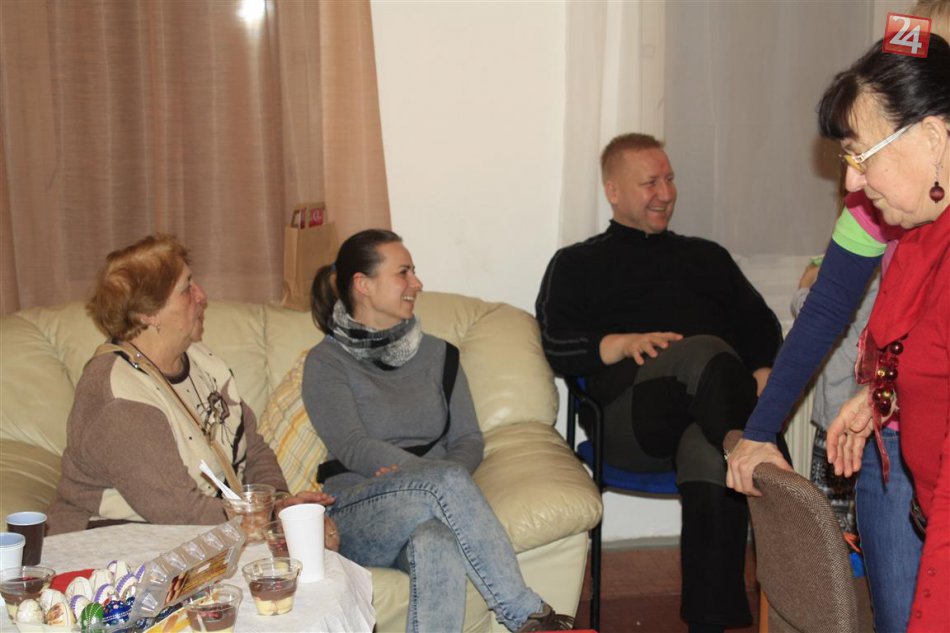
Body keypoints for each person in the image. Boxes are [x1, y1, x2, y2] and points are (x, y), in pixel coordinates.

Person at [729, 34, 950, 633]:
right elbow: (828, 311)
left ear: (932, 136)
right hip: (899, 446)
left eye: (861, 156)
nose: (851, 186)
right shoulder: (898, 217)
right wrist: (879, 392)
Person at [535, 133, 784, 633]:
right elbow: (553, 342)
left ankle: (711, 624)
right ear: (613, 190)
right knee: (705, 350)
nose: (665, 193)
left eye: (669, 179)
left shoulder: (707, 257)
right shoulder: (578, 264)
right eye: (650, 182)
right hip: (630, 423)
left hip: (709, 419)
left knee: (709, 450)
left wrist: (762, 372)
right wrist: (620, 343)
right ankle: (772, 478)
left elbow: (763, 327)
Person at [301, 229, 573, 633]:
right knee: (442, 480)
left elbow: (468, 439)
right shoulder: (326, 362)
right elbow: (352, 445)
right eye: (403, 273)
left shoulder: (441, 354)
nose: (417, 283)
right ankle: (528, 616)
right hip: (357, 510)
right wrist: (427, 477)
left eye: (414, 272)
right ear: (363, 284)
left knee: (437, 541)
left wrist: (439, 482)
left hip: (433, 504)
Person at [47, 234, 337, 549]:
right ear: (148, 313)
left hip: (206, 530)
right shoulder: (118, 396)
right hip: (115, 544)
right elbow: (177, 509)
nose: (202, 296)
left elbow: (252, 448)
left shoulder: (200, 360)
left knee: (323, 542)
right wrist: (273, 520)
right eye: (186, 289)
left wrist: (280, 501)